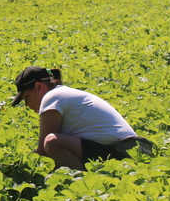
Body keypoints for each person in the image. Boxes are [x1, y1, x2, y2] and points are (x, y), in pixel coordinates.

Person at [11, 66, 151, 171]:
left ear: (39, 87)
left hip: (123, 152)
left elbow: (42, 151)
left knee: (52, 142)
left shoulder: (52, 97)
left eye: (26, 98)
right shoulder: (64, 93)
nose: (27, 104)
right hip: (133, 152)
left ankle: (83, 184)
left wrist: (14, 167)